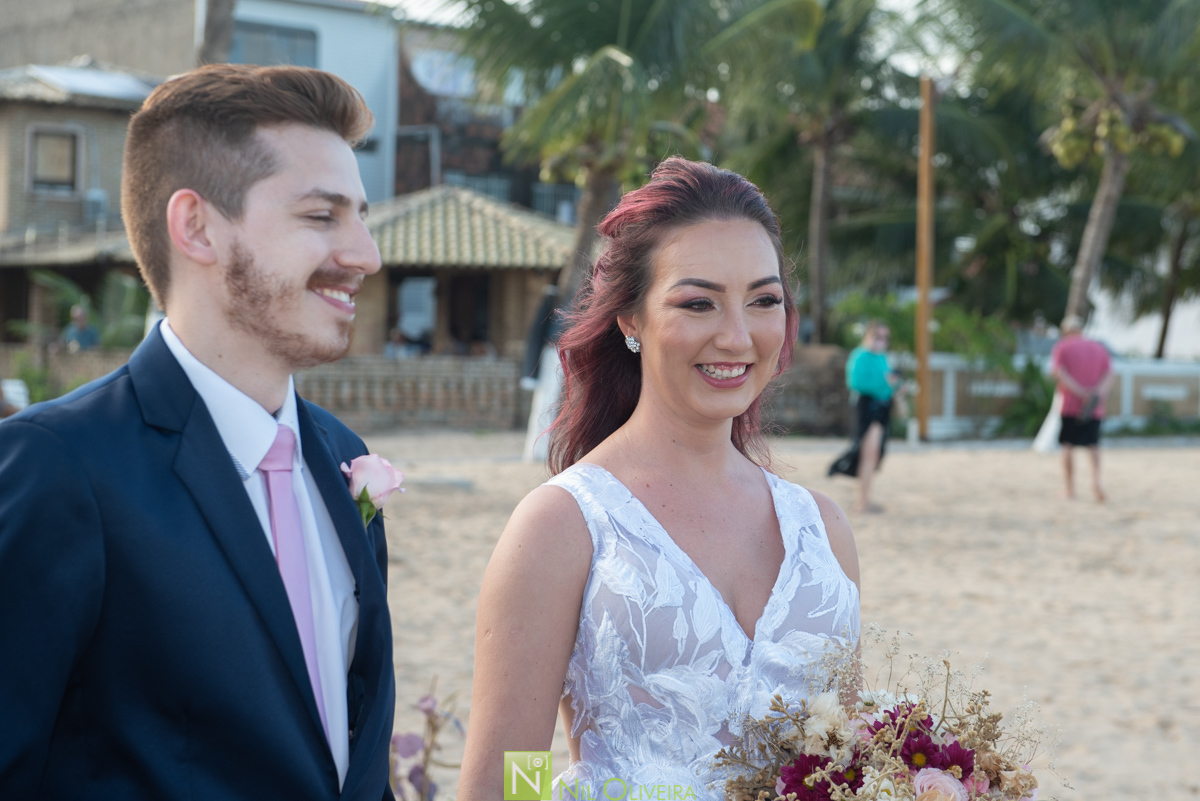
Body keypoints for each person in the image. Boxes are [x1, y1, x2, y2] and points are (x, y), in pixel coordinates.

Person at [0, 64, 396, 800]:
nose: (366, 254)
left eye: (362, 217)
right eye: (322, 216)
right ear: (197, 227)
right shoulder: (60, 469)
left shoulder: (343, 457)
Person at [458, 158, 860, 799]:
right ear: (630, 319)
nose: (737, 337)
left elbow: (853, 763)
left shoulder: (823, 531)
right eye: (698, 303)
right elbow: (509, 779)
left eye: (764, 301)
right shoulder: (563, 525)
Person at [828, 320, 903, 513]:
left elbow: (890, 384)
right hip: (866, 408)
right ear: (867, 336)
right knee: (868, 453)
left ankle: (864, 500)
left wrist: (896, 385)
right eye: (877, 336)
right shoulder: (859, 355)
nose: (881, 341)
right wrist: (887, 383)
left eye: (885, 337)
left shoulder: (883, 357)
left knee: (874, 454)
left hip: (882, 409)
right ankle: (862, 503)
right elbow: (857, 383)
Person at [1050, 315, 1112, 502]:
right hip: (1094, 407)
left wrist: (1080, 392)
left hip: (1071, 406)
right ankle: (1096, 481)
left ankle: (1070, 488)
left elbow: (1059, 373)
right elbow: (1109, 374)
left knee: (1068, 445)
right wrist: (1095, 393)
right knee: (1093, 445)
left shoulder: (1062, 347)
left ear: (1066, 330)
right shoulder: (1098, 348)